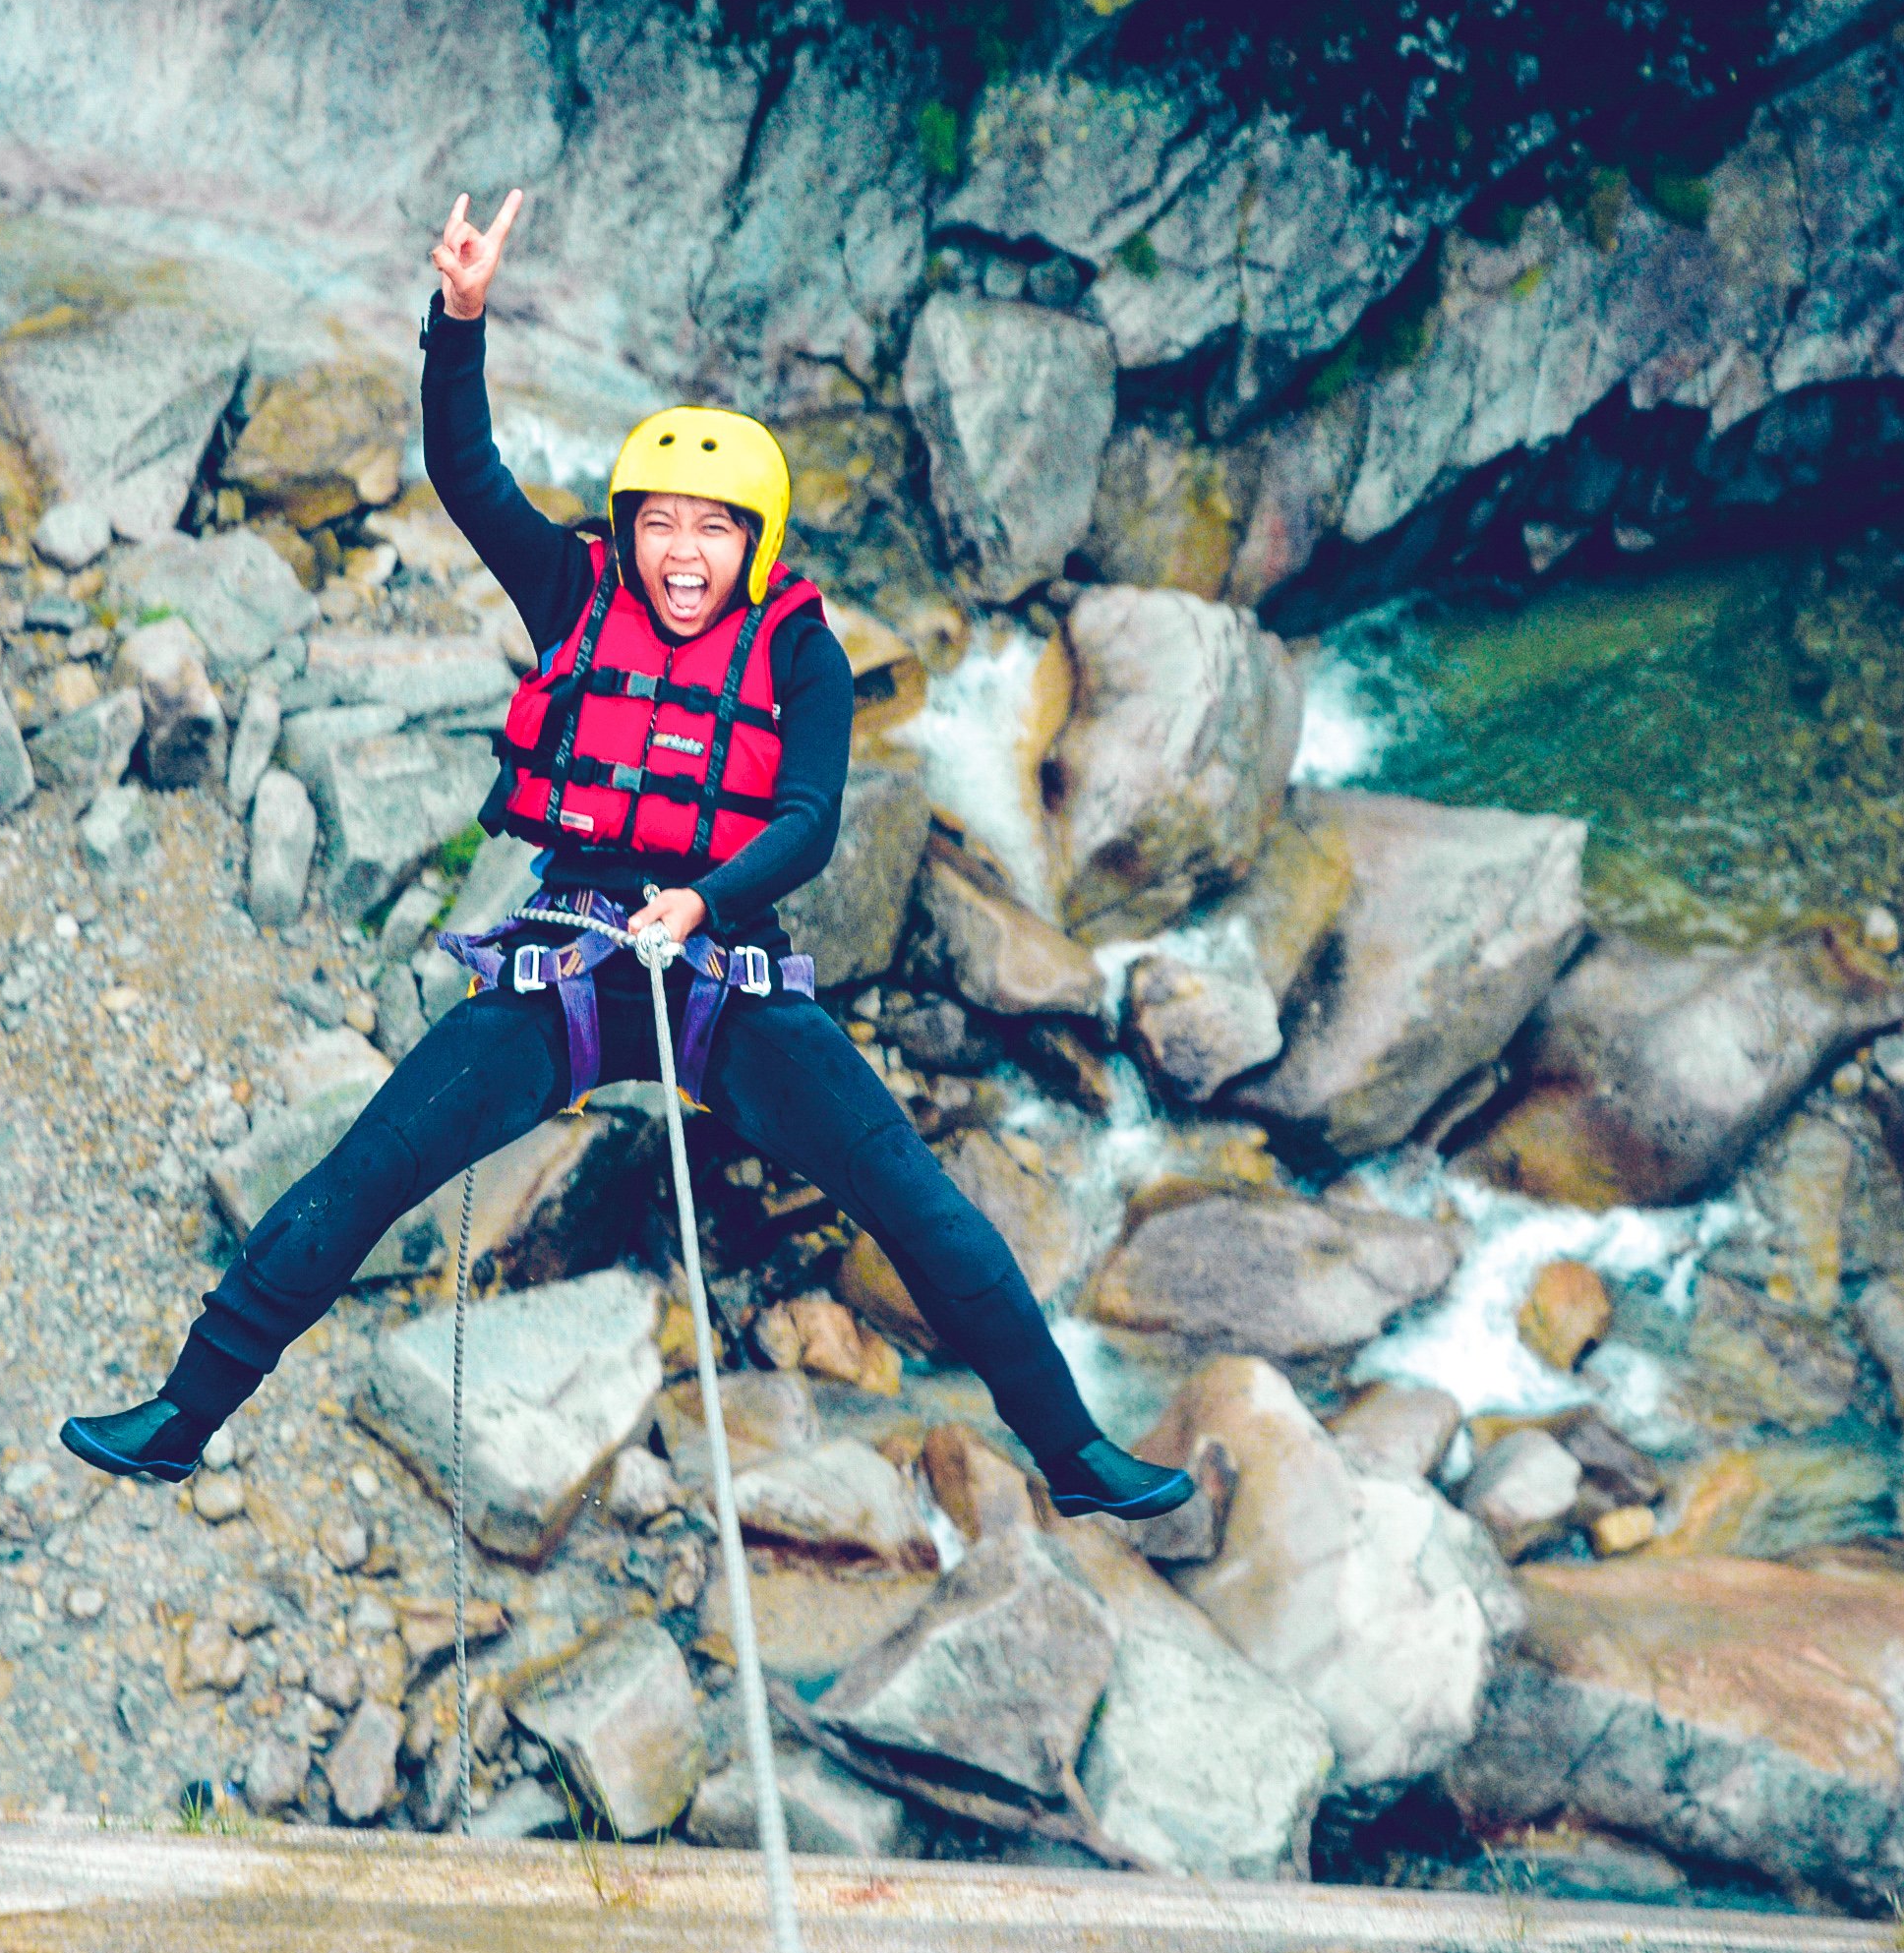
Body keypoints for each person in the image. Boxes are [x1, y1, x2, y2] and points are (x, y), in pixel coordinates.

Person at [61, 191, 1194, 1525]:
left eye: (714, 527)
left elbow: (814, 819)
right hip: (568, 971)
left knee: (924, 1210)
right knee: (359, 1177)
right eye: (662, 521)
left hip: (732, 986)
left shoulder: (800, 653)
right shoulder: (570, 591)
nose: (683, 551)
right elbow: (467, 470)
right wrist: (460, 319)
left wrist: (703, 900)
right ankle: (182, 1421)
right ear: (630, 523)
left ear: (755, 539)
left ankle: (1073, 1453)